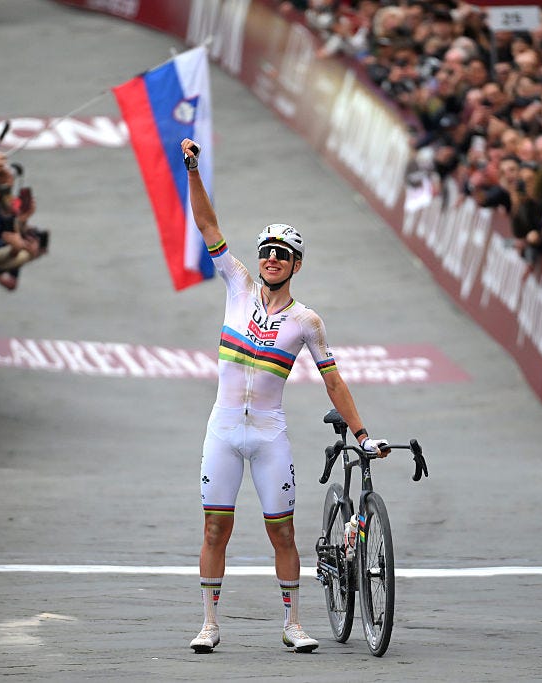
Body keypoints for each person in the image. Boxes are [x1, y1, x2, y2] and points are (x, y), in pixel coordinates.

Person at [181, 138, 390, 654]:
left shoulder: (306, 322)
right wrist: (192, 171)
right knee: (215, 530)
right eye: (267, 253)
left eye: (284, 255)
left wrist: (362, 435)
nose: (272, 259)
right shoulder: (237, 285)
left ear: (297, 265)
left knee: (284, 536)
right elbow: (208, 226)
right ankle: (209, 623)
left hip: (269, 433)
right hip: (224, 429)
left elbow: (333, 381)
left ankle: (293, 623)